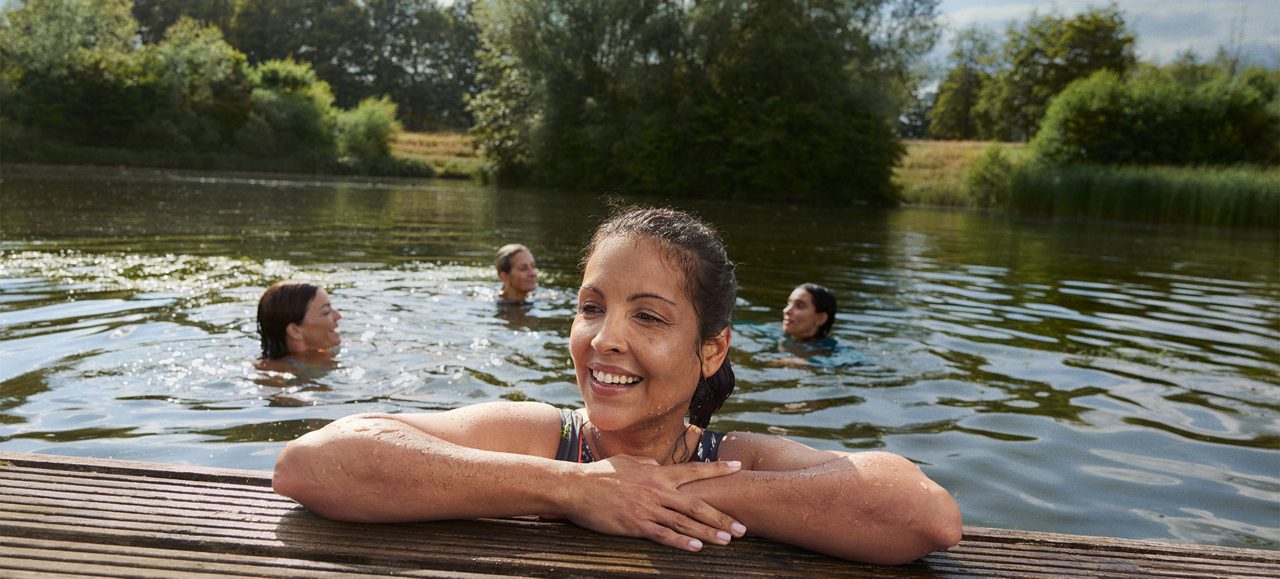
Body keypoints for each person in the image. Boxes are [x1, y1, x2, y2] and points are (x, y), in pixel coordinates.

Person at [272, 206, 961, 565]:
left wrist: (672, 489)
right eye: (592, 306)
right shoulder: (544, 438)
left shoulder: (735, 455)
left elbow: (925, 516)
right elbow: (310, 464)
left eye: (649, 316)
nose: (604, 338)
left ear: (712, 348)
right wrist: (576, 487)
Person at [256, 281, 343, 366]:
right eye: (326, 312)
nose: (338, 316)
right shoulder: (274, 375)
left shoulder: (327, 355)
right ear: (295, 331)